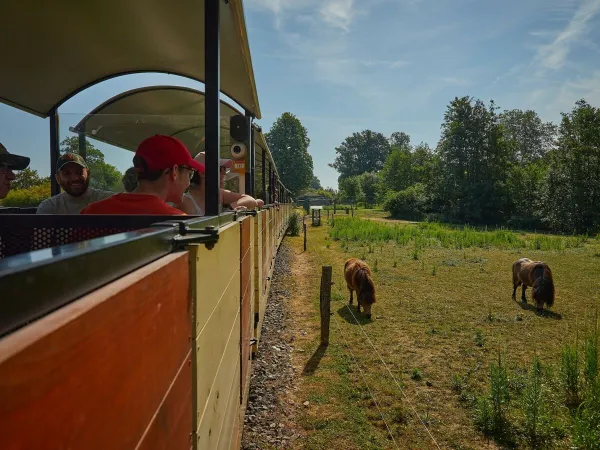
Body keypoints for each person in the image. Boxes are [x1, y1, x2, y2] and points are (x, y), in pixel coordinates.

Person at [80, 134, 203, 215]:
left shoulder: (91, 212)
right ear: (174, 171)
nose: (188, 183)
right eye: (189, 174)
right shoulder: (177, 222)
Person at [175, 152, 261, 215]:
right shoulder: (186, 202)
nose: (224, 173)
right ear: (202, 173)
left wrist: (229, 210)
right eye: (220, 169)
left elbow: (251, 200)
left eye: (224, 169)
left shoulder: (219, 194)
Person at [36, 153, 113, 214]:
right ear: (58, 178)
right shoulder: (49, 207)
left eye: (79, 172)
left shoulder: (110, 200)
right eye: (66, 173)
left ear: (88, 174)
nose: (75, 178)